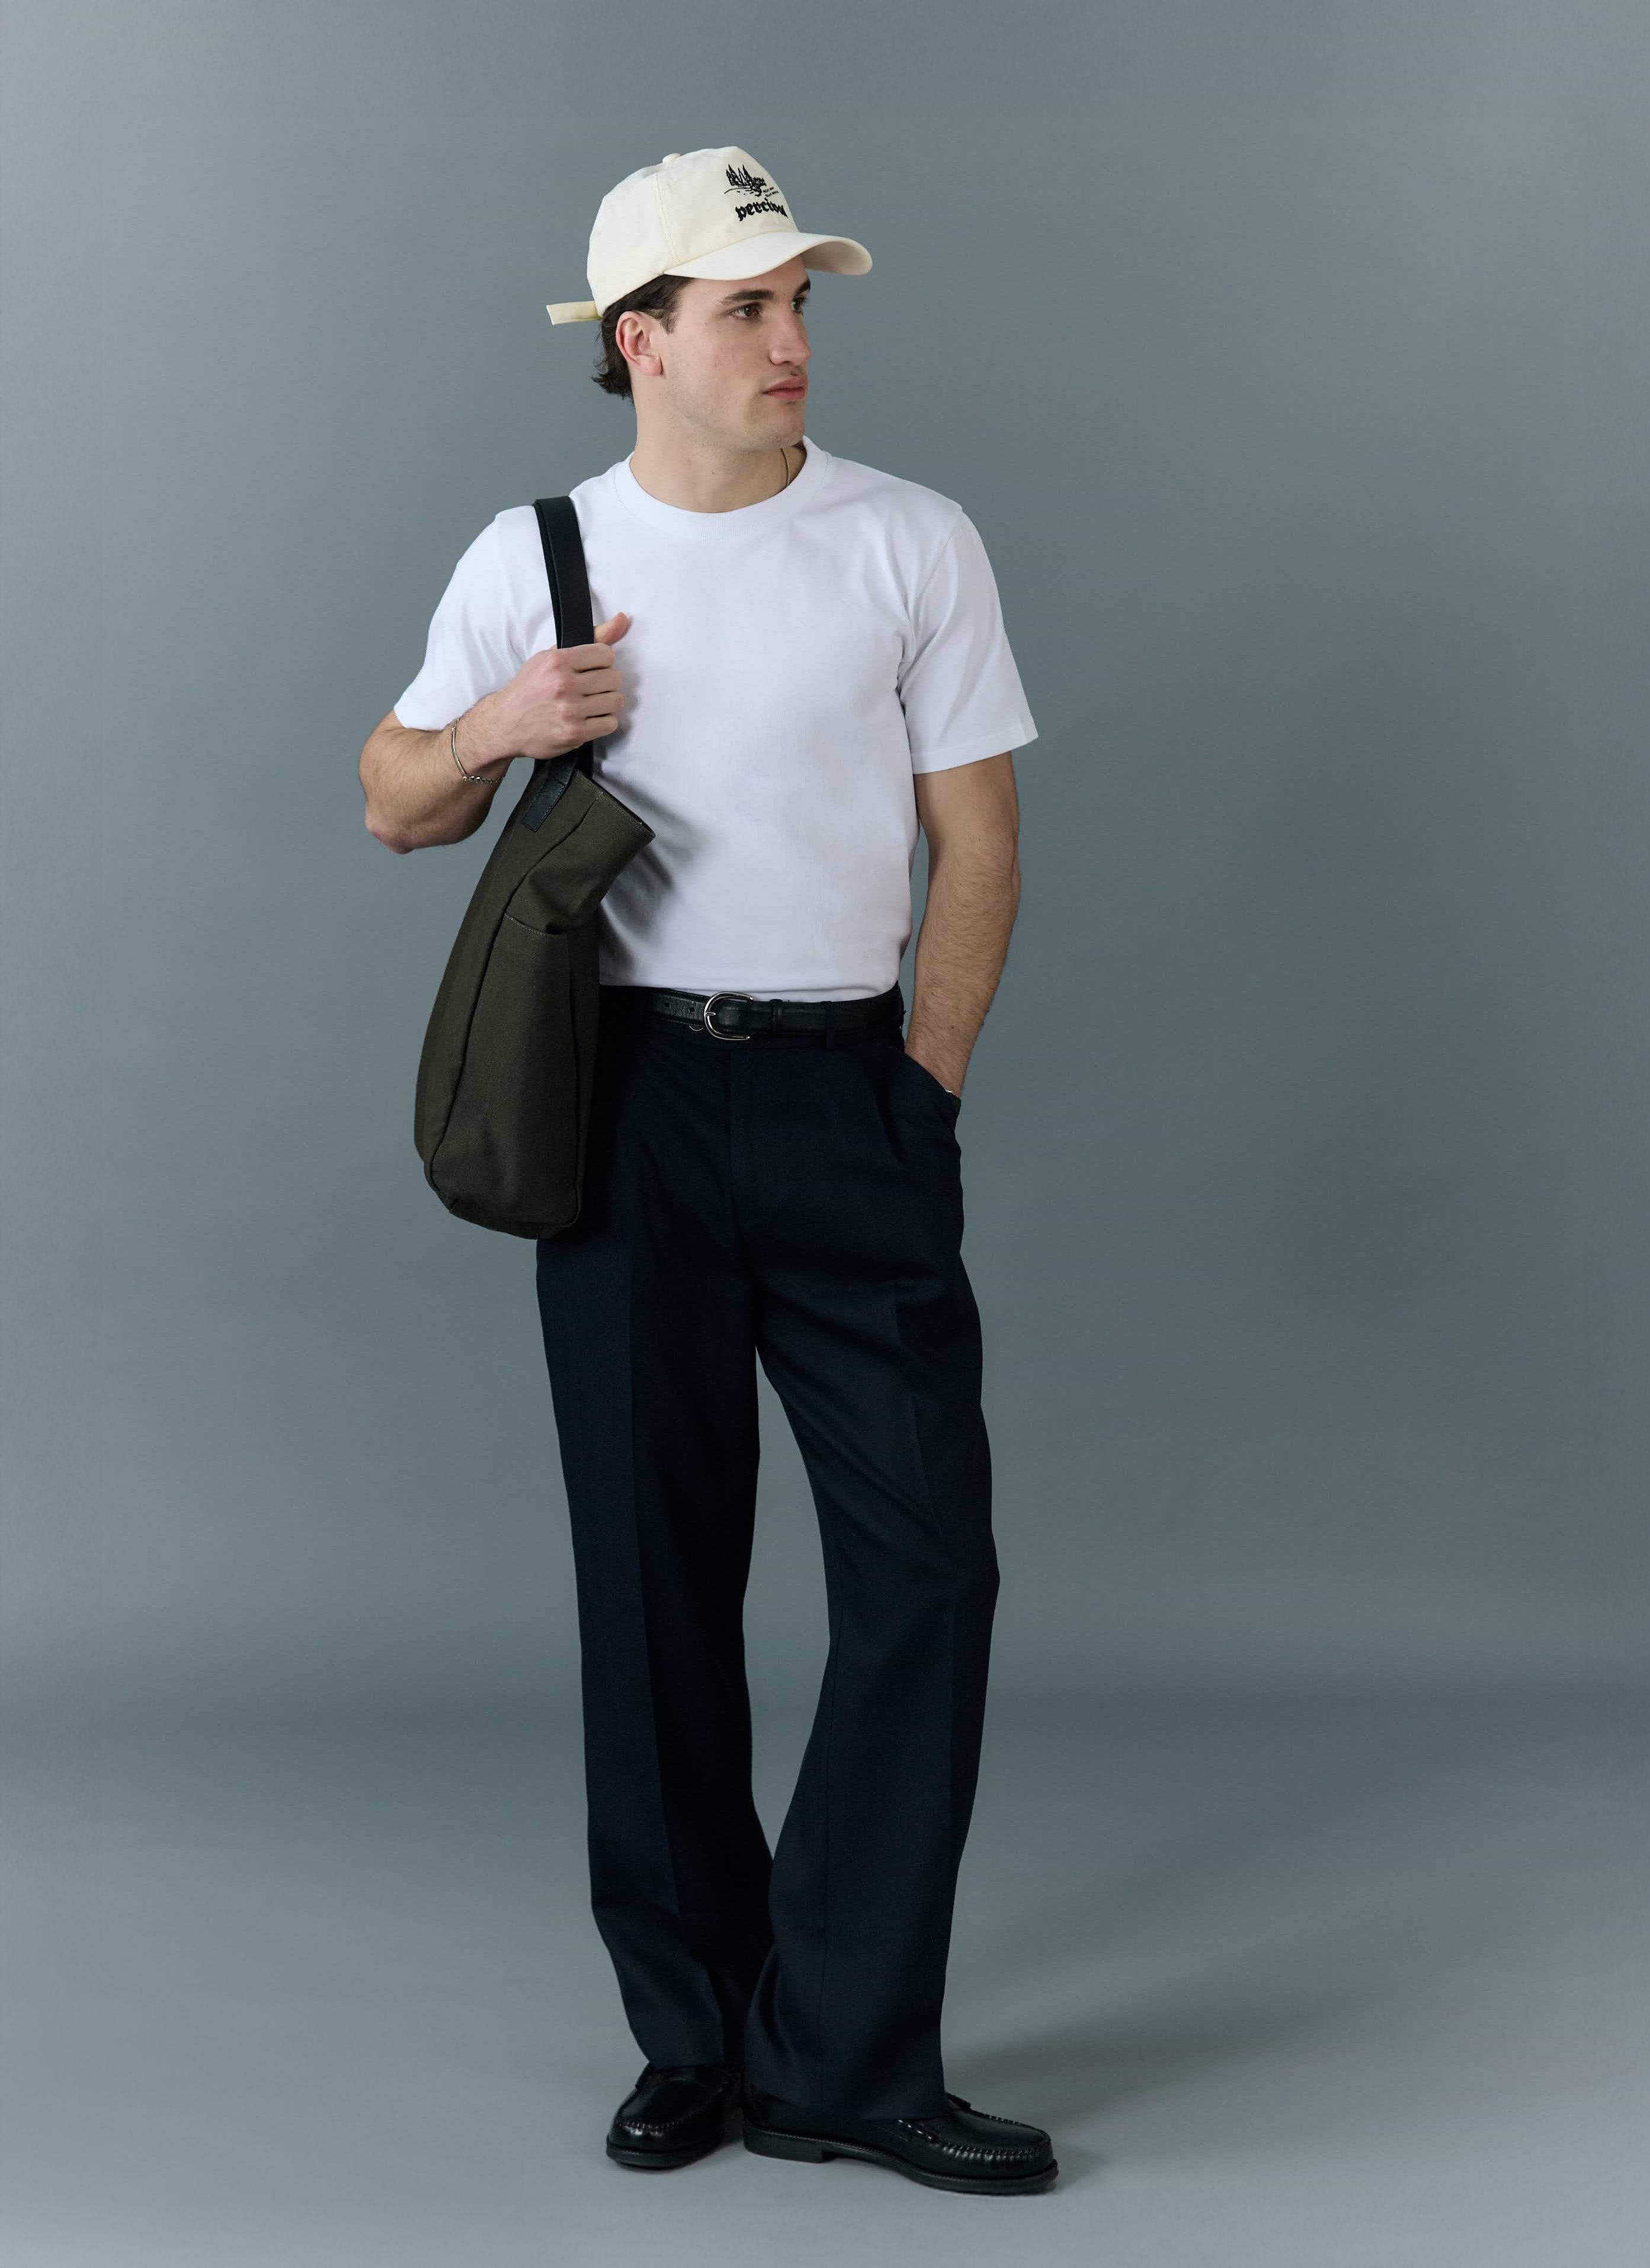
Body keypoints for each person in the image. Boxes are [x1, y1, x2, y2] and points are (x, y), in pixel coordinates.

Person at [358, 145, 1056, 2198]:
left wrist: (916, 1092)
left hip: (851, 1096)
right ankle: (696, 2035)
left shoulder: (911, 540)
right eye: (746, 308)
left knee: (926, 1573)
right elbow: (392, 803)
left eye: (798, 302)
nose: (792, 339)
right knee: (652, 1591)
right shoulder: (541, 554)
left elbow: (979, 845)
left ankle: (847, 2051)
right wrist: (495, 722)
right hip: (630, 1112)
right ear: (641, 342)